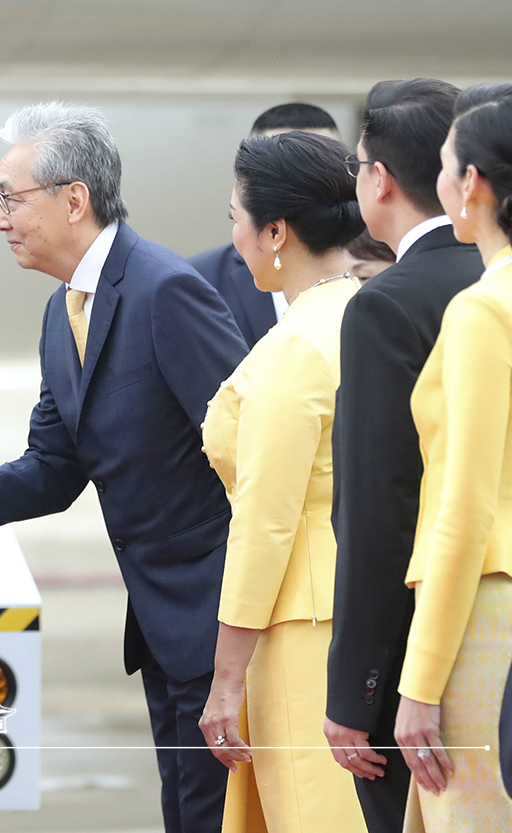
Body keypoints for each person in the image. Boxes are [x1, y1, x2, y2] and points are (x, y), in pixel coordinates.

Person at [0, 102, 248, 832]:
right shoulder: (64, 314)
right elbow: (54, 468)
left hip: (219, 625)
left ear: (74, 199)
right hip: (161, 629)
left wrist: (241, 632)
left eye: (8, 198)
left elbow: (253, 454)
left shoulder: (164, 290)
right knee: (187, 814)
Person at [324, 78, 484, 833]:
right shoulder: (494, 275)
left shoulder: (387, 303)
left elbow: (379, 510)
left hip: (429, 644)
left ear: (379, 179)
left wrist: (357, 691)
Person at [195, 131, 367, 832]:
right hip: (364, 608)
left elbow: (265, 522)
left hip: (302, 626)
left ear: (275, 231)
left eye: (235, 215)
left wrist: (225, 675)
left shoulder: (294, 346)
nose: (232, 235)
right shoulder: (370, 313)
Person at [393, 83, 512, 832]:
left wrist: (420, 681)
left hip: (487, 613)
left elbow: (462, 507)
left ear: (471, 183)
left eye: (444, 166)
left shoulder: (482, 308)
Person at [189, 103, 340, 348]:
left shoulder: (379, 265)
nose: (301, 183)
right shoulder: (198, 280)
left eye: (321, 165)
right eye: (278, 167)